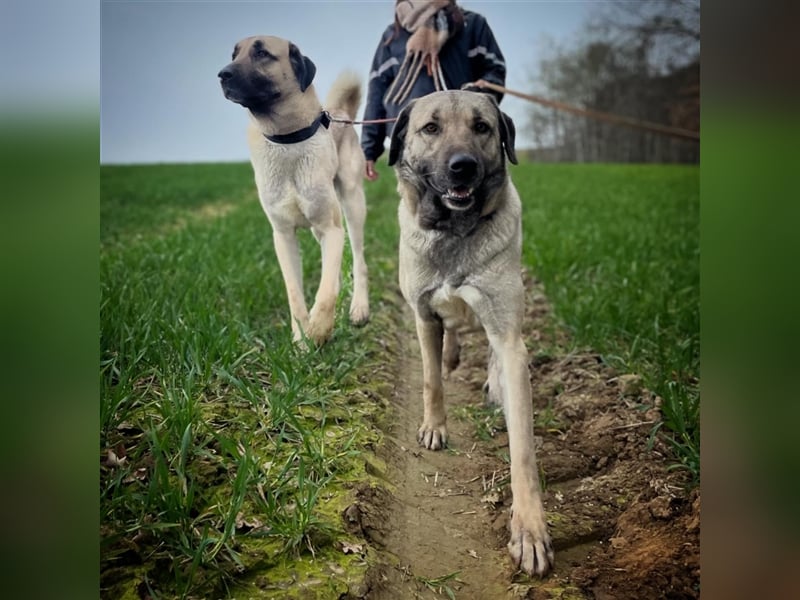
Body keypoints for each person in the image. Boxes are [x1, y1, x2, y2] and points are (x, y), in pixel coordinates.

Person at [361, 0, 507, 181]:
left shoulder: (473, 24)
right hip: (413, 140)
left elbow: (495, 70)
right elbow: (376, 91)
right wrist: (369, 149)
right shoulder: (392, 36)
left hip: (468, 142)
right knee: (416, 204)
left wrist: (478, 91)